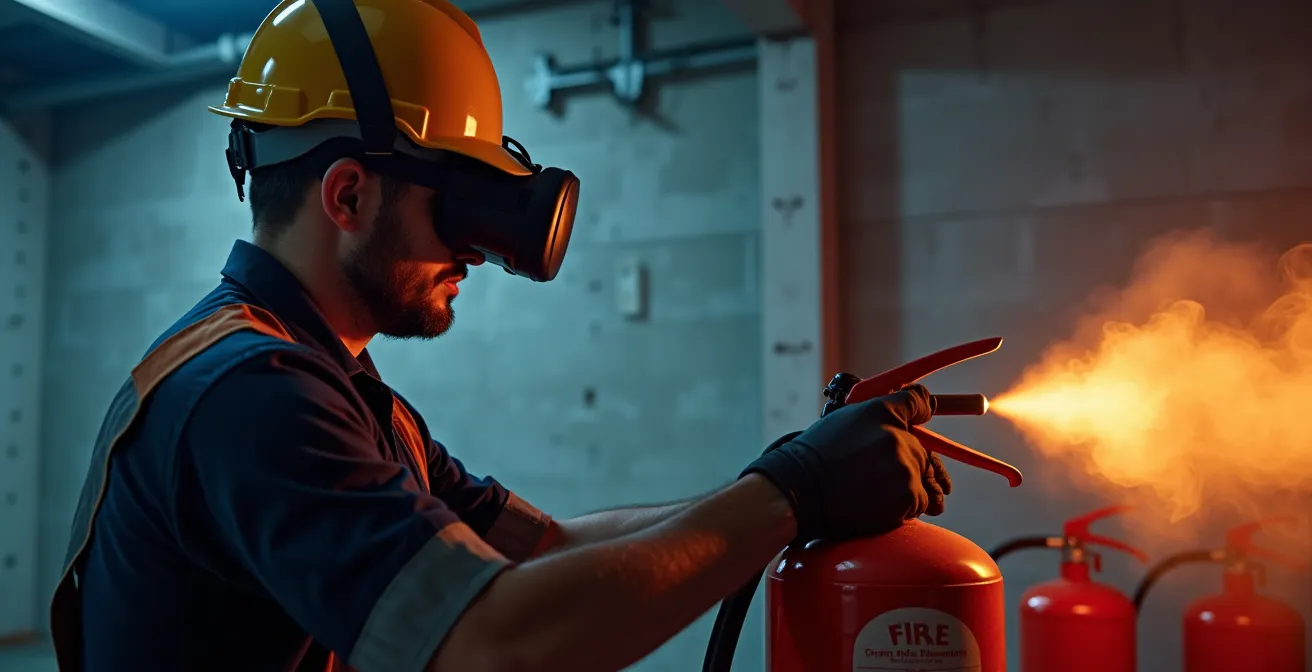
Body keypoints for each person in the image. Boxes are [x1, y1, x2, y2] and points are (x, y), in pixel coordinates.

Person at [49, 1, 953, 671]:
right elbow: (487, 641)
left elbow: (546, 547)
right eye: (458, 208)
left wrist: (792, 471)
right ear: (349, 195)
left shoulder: (336, 387)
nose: (477, 254)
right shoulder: (251, 396)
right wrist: (788, 494)